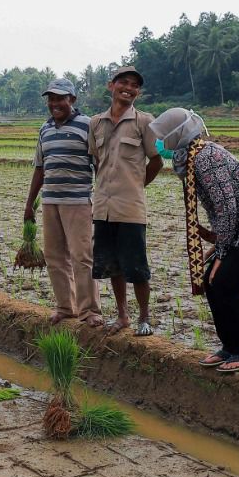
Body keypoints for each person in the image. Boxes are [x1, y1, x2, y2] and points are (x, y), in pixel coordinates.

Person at [150, 108, 239, 372]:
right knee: (211, 281)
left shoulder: (207, 157)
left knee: (224, 282)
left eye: (163, 135)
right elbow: (218, 209)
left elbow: (226, 207)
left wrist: (223, 252)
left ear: (177, 134)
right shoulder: (189, 156)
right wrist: (220, 244)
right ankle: (229, 347)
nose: (159, 141)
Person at [88, 66, 163, 335]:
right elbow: (97, 161)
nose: (129, 88)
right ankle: (122, 316)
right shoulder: (96, 123)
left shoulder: (145, 122)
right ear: (112, 86)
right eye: (124, 83)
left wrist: (137, 186)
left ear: (138, 92)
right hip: (103, 208)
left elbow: (156, 160)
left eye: (134, 85)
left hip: (131, 208)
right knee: (112, 266)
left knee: (137, 267)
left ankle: (144, 318)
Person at [24, 78, 101, 327]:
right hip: (50, 201)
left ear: (72, 100)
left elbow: (99, 165)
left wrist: (102, 200)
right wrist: (29, 203)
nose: (54, 103)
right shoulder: (45, 128)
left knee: (82, 256)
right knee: (55, 256)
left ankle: (90, 310)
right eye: (51, 99)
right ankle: (66, 307)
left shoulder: (87, 125)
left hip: (78, 201)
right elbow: (40, 167)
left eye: (60, 98)